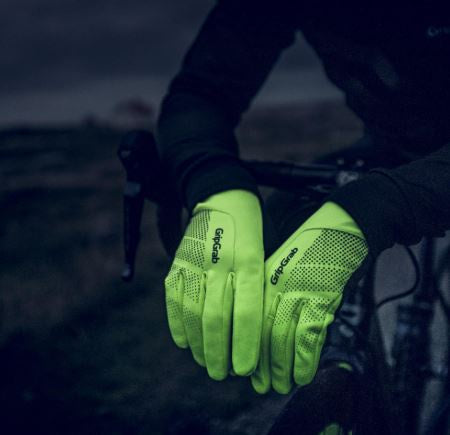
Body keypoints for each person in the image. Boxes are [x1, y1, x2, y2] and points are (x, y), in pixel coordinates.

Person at [156, 1, 450, 394]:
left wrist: (376, 207)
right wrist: (218, 189)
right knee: (281, 233)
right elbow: (201, 92)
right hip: (393, 143)